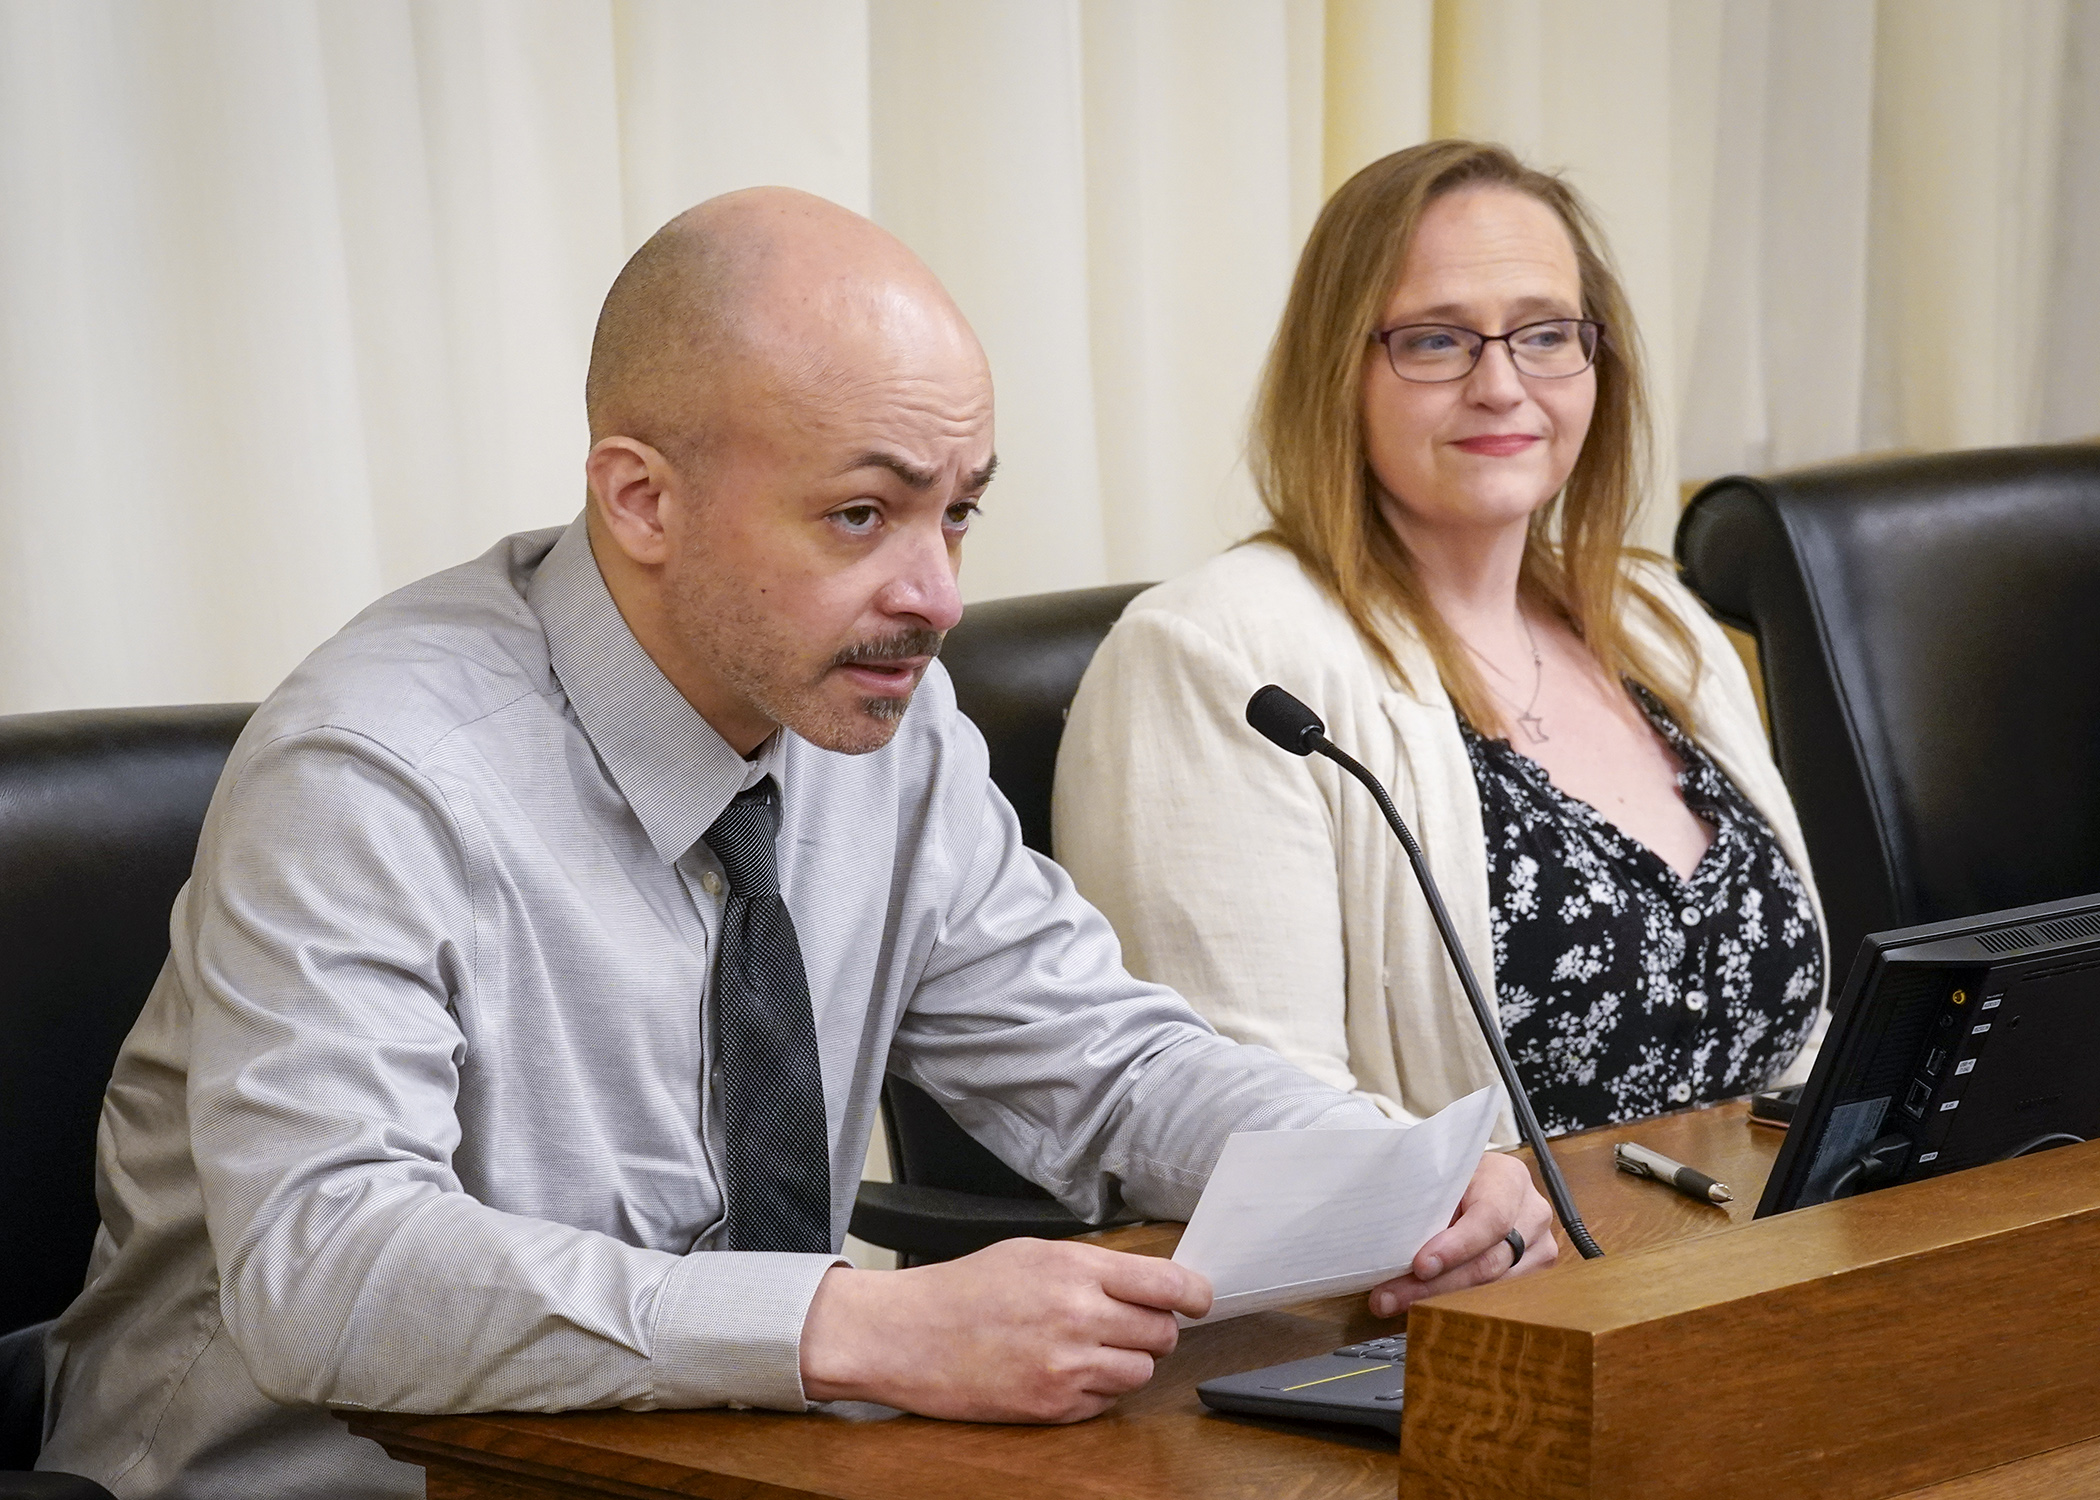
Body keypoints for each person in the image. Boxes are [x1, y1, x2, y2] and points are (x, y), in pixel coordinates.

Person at [37, 188, 1551, 1499]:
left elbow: (1104, 1061)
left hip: (725, 1465)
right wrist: (852, 1323)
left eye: (959, 513)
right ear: (641, 498)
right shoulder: (374, 776)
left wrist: (1377, 1174)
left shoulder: (880, 720)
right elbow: (332, 1275)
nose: (938, 593)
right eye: (862, 516)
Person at [1054, 142, 1827, 1142]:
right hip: (1469, 1289)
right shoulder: (1216, 657)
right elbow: (1246, 1122)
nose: (1503, 385)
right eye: (1435, 341)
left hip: (1766, 1256)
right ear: (1342, 371)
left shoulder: (1655, 622)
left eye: (1545, 335)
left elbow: (1801, 1043)